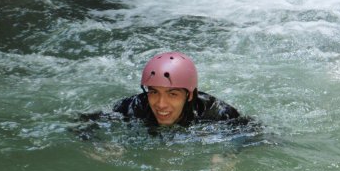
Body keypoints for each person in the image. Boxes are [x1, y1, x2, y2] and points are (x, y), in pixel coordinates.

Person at [79, 51, 256, 135]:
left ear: (190, 95)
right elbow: (83, 121)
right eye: (154, 92)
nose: (160, 104)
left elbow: (260, 133)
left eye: (172, 94)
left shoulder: (214, 112)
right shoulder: (136, 105)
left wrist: (231, 154)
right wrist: (97, 145)